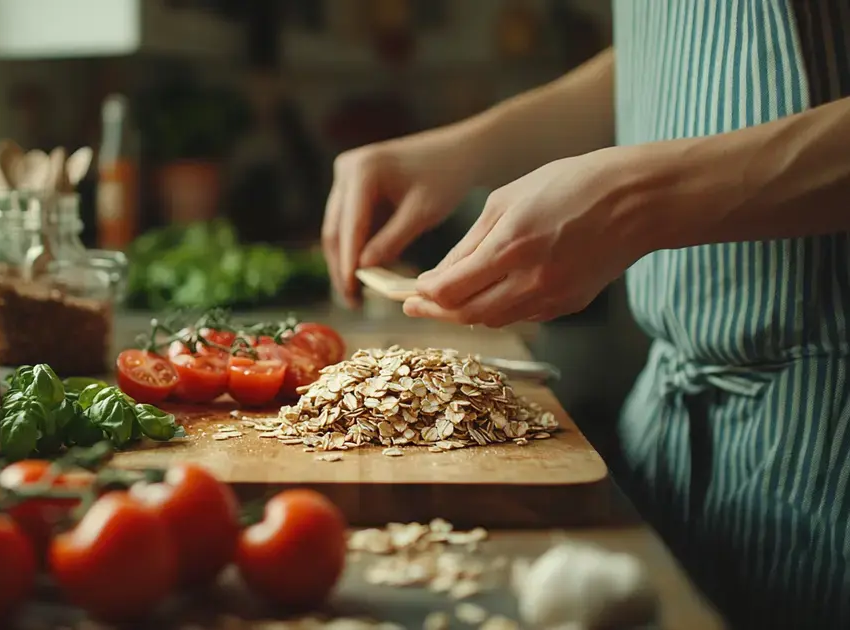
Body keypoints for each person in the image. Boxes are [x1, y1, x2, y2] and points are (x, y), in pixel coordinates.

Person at [322, 2, 850, 628]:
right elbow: (683, 52)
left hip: (825, 451)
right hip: (673, 438)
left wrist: (639, 195)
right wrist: (469, 149)